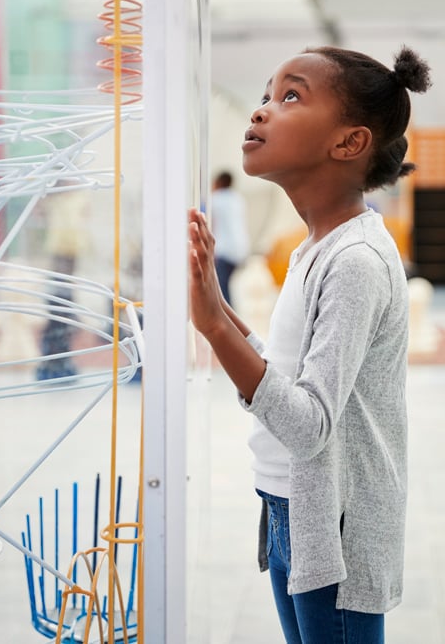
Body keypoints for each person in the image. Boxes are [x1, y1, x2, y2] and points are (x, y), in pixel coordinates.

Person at [188, 45, 431, 644]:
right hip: (290, 506)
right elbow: (289, 370)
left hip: (334, 526)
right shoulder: (317, 247)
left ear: (348, 144)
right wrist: (218, 310)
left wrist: (217, 331)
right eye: (267, 95)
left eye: (290, 96)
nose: (263, 110)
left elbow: (308, 425)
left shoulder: (354, 261)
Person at [210, 170, 249, 306]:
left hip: (223, 250)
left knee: (222, 290)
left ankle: (228, 318)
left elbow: (211, 225)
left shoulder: (215, 200)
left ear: (218, 183)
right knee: (227, 287)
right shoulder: (237, 199)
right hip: (240, 249)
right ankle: (232, 315)